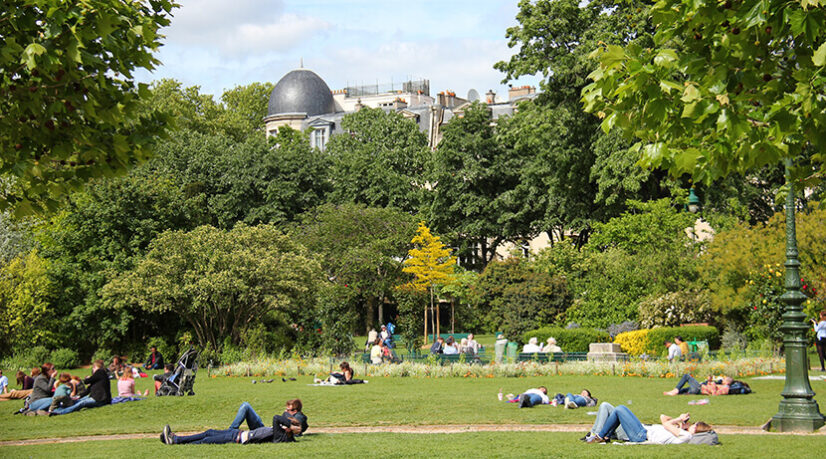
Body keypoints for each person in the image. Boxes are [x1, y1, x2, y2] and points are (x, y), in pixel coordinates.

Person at [587, 406, 711, 444]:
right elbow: (664, 417)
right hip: (642, 431)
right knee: (617, 410)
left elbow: (664, 422)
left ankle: (600, 436)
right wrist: (679, 422)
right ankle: (603, 436)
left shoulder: (686, 436)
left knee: (620, 409)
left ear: (696, 430)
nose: (691, 424)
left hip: (642, 434)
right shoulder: (681, 432)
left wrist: (679, 419)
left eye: (694, 425)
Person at [162, 415, 301, 445]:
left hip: (237, 439)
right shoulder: (282, 433)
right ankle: (176, 438)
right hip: (238, 433)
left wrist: (290, 423)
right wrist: (291, 423)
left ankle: (175, 440)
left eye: (291, 428)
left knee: (207, 440)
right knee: (208, 432)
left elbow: (277, 418)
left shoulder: (280, 436)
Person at [230, 399, 309, 435]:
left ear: (295, 411)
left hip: (265, 433)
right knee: (246, 406)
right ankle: (232, 429)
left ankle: (231, 430)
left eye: (288, 410)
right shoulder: (290, 416)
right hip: (264, 429)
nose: (285, 411)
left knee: (245, 406)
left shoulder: (299, 417)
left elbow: (298, 428)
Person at [663, 374, 739, 396]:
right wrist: (709, 381)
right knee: (684, 390)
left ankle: (675, 390)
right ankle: (674, 392)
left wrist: (712, 384)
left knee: (686, 376)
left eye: (724, 379)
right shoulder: (723, 386)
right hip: (699, 389)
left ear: (727, 383)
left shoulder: (726, 388)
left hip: (700, 389)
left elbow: (714, 393)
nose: (723, 380)